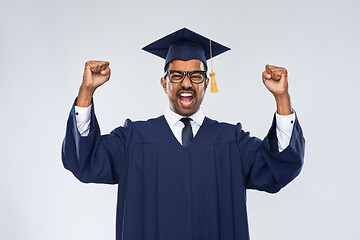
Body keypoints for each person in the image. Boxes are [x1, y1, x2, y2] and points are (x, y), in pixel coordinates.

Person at [62, 28, 305, 240]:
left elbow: (279, 168)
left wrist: (281, 98)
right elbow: (85, 162)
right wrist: (87, 92)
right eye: (176, 75)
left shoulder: (232, 141)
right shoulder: (133, 140)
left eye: (196, 76)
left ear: (206, 84)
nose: (186, 84)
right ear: (164, 83)